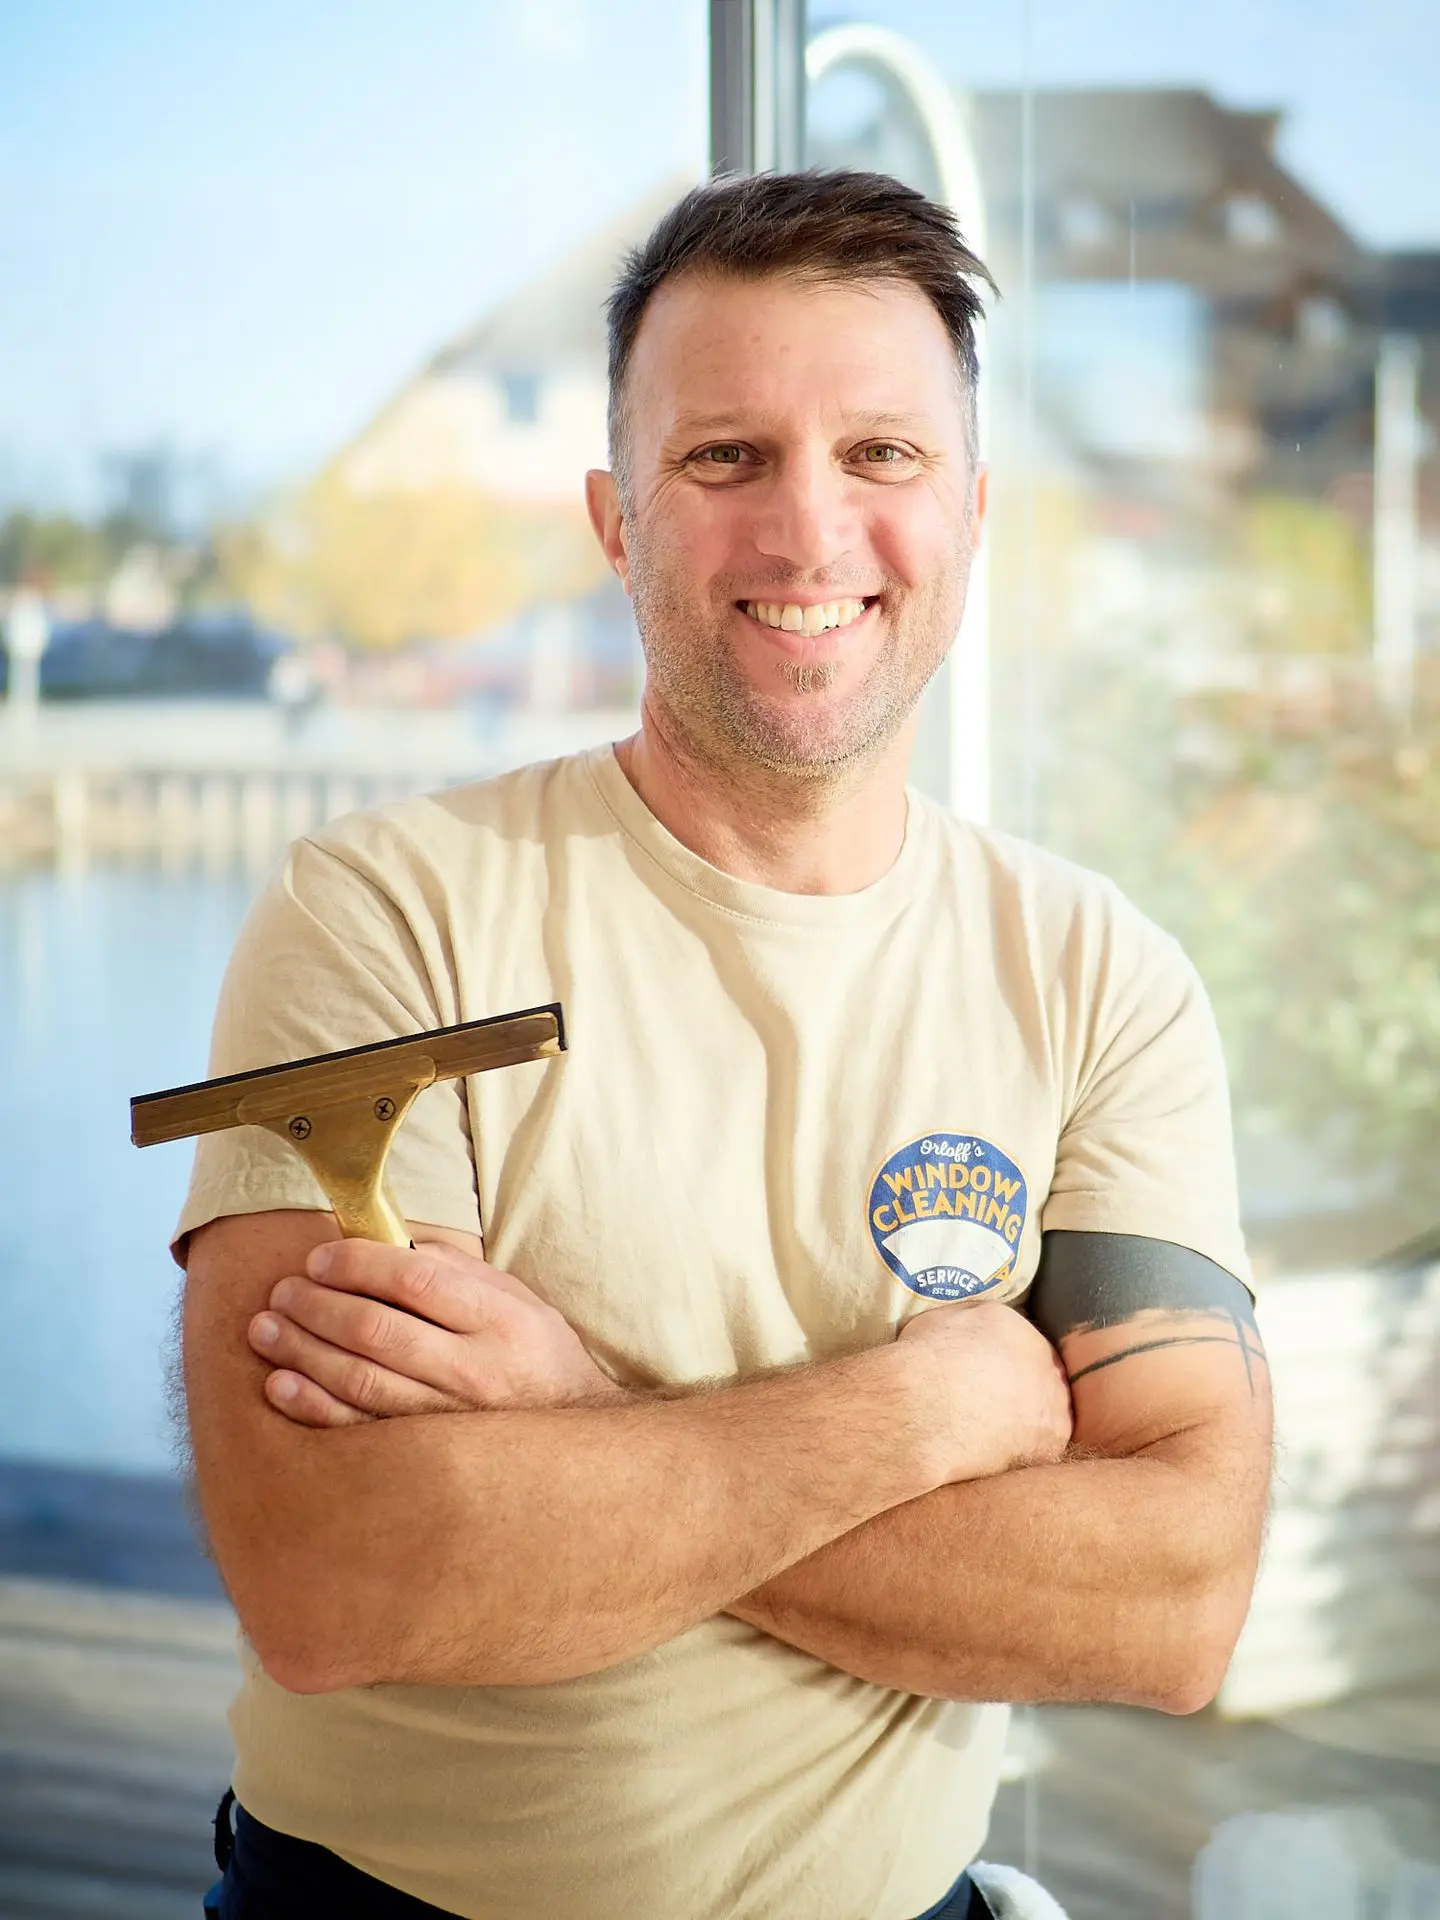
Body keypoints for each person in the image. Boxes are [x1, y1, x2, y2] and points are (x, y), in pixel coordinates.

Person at [179, 171, 1273, 1920]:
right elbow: (337, 1573)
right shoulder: (385, 920)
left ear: (974, 514)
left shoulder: (1098, 978)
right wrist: (933, 1409)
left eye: (882, 458)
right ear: (617, 521)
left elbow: (1173, 1604)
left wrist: (577, 1413)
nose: (810, 532)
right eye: (726, 458)